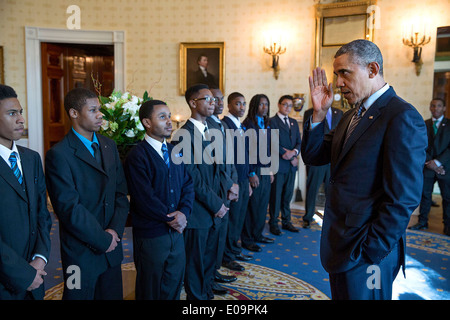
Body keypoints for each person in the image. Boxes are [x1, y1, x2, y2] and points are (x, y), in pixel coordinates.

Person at [301, 39, 427, 300]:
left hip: (369, 252)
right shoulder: (351, 115)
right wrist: (318, 115)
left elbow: (403, 199)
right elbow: (314, 156)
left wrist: (371, 250)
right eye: (336, 75)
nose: (337, 83)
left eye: (344, 73)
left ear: (372, 69)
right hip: (341, 243)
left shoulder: (401, 116)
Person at [45, 87, 129, 300]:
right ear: (74, 113)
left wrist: (115, 232)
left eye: (99, 109)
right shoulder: (59, 154)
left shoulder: (109, 146)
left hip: (112, 247)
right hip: (79, 253)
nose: (100, 114)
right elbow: (68, 209)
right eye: (93, 110)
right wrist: (103, 239)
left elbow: (121, 195)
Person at [123, 100, 194, 300]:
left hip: (177, 232)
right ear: (146, 122)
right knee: (150, 288)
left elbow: (188, 184)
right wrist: (172, 217)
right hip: (152, 234)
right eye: (162, 117)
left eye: (169, 116)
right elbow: (144, 197)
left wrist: (184, 213)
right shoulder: (137, 156)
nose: (169, 122)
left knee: (174, 283)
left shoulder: (175, 150)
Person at [172, 83, 228, 300]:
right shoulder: (181, 135)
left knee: (209, 261)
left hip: (216, 209)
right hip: (197, 211)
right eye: (208, 99)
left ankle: (205, 296)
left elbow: (219, 170)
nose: (213, 102)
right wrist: (216, 204)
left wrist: (222, 203)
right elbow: (192, 178)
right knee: (195, 265)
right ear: (193, 103)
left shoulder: (212, 131)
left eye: (213, 99)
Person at [0, 84, 52, 300]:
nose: (21, 119)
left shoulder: (31, 158)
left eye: (20, 112)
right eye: (12, 113)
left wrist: (39, 258)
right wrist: (23, 273)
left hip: (36, 272)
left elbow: (43, 214)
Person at [206, 87, 239, 294]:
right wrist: (228, 184)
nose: (218, 102)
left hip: (228, 186)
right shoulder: (206, 125)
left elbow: (230, 159)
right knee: (212, 237)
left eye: (220, 99)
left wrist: (235, 183)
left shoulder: (222, 124)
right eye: (214, 99)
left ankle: (215, 271)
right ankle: (207, 277)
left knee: (221, 234)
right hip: (216, 188)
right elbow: (213, 163)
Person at [221, 92, 253, 271]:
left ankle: (235, 249)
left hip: (242, 178)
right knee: (232, 219)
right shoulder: (225, 125)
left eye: (244, 103)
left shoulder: (240, 125)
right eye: (238, 104)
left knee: (239, 218)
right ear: (229, 105)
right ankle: (228, 256)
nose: (242, 107)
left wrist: (247, 179)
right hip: (233, 180)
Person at [410, 98, 450, 236]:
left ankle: (448, 225)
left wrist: (438, 163)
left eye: (439, 106)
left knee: (447, 197)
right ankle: (422, 222)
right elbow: (419, 145)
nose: (436, 108)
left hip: (445, 168)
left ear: (444, 108)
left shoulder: (449, 125)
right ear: (430, 107)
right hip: (427, 167)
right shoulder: (424, 124)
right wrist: (431, 163)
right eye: (433, 106)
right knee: (425, 196)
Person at [241, 94, 275, 251]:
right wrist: (250, 173)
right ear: (254, 106)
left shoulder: (266, 123)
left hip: (266, 169)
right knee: (252, 206)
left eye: (266, 104)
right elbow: (245, 152)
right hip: (254, 170)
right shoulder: (247, 125)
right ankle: (247, 239)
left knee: (263, 205)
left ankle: (258, 234)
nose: (265, 107)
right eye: (261, 104)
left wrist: (270, 170)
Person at [302, 106, 342, 228]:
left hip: (333, 159)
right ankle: (308, 217)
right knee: (312, 189)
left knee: (331, 191)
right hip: (317, 159)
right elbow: (308, 133)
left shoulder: (339, 112)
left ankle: (330, 218)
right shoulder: (310, 112)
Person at [268, 95, 302, 235]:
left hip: (291, 165)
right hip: (278, 164)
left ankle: (287, 221)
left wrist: (294, 153)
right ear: (279, 105)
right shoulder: (271, 121)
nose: (288, 107)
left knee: (287, 195)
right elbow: (270, 141)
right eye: (285, 104)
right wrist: (285, 153)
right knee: (276, 196)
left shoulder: (294, 122)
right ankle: (274, 223)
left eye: (290, 105)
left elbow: (299, 142)